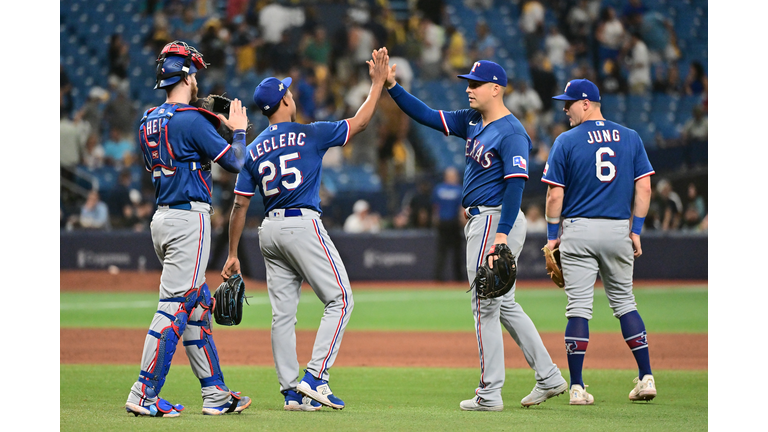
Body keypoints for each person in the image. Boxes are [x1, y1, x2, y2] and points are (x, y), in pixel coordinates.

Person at [384, 59, 567, 410]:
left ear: (496, 88)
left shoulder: (512, 131)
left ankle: (489, 393)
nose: (468, 88)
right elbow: (425, 114)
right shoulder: (472, 121)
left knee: (483, 304)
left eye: (476, 83)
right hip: (484, 221)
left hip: (495, 220)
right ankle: (549, 376)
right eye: (468, 82)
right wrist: (392, 86)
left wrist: (500, 235)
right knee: (505, 304)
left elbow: (515, 186)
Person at [220, 47, 391, 411]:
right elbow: (359, 122)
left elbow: (239, 205)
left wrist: (233, 253)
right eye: (288, 91)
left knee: (283, 314)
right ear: (283, 100)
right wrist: (377, 84)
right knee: (341, 300)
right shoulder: (310, 133)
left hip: (268, 231)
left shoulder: (251, 149)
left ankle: (291, 393)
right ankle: (316, 378)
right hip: (302, 224)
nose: (292, 93)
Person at [125, 40, 252, 417]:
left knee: (197, 305)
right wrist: (239, 130)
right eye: (194, 72)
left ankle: (215, 394)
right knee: (175, 307)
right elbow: (237, 163)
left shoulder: (148, 118)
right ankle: (143, 393)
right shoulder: (192, 119)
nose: (197, 79)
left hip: (162, 217)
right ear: (187, 75)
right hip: (188, 219)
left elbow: (173, 153)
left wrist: (212, 127)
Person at [541, 78, 656, 405]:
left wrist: (552, 239)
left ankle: (576, 387)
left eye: (569, 103)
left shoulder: (566, 140)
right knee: (625, 303)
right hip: (619, 229)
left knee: (578, 308)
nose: (565, 109)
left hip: (578, 230)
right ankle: (646, 377)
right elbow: (644, 188)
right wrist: (636, 230)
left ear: (587, 103)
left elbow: (554, 195)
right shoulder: (630, 137)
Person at [432, 166, 465, 281]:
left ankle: (438, 277)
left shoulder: (438, 188)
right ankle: (458, 278)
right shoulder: (459, 189)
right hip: (453, 223)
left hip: (443, 222)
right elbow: (462, 208)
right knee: (456, 251)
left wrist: (435, 218)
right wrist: (463, 221)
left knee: (442, 251)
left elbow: (436, 207)